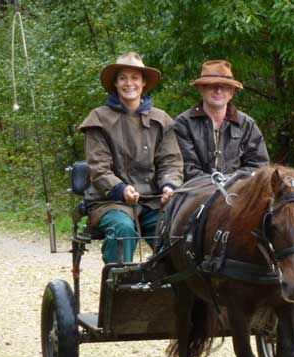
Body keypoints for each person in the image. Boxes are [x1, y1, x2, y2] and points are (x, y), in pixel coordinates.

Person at [79, 52, 183, 264]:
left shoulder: (161, 119)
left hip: (153, 202)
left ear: (143, 83)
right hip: (109, 202)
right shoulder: (98, 118)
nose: (129, 83)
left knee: (177, 230)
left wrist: (169, 186)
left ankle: (170, 290)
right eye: (123, 78)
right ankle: (119, 289)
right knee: (123, 229)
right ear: (115, 84)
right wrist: (121, 189)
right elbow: (98, 168)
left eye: (135, 78)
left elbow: (170, 161)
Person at [174, 60, 269, 181]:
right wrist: (215, 183)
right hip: (196, 191)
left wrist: (230, 181)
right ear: (201, 89)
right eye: (212, 86)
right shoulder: (184, 122)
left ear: (232, 93)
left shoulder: (246, 124)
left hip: (238, 190)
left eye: (225, 87)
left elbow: (259, 166)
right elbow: (186, 167)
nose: (218, 91)